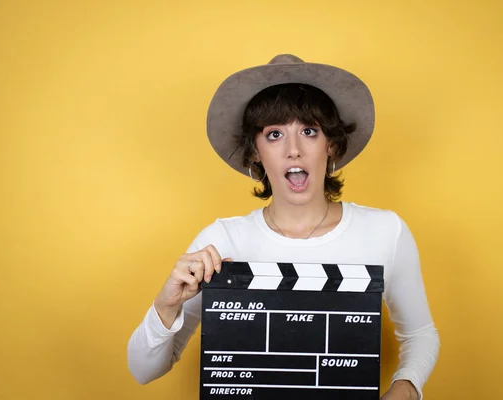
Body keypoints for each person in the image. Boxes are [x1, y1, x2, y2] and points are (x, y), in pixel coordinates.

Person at [127, 54, 440, 400]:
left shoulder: (385, 232)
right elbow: (143, 370)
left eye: (309, 131)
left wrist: (406, 387)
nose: (293, 150)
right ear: (256, 152)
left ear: (331, 144)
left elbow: (420, 334)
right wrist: (166, 304)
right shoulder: (223, 240)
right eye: (274, 134)